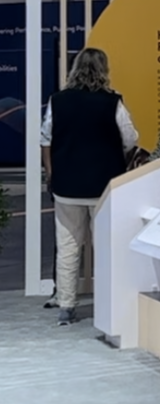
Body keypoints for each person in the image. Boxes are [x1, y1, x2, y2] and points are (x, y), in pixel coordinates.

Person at [40, 46, 139, 326]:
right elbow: (130, 138)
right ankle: (109, 303)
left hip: (66, 187)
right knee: (105, 247)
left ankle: (66, 306)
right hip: (104, 186)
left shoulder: (58, 101)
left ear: (75, 69)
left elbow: (46, 139)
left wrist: (51, 174)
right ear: (104, 69)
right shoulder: (113, 102)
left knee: (68, 245)